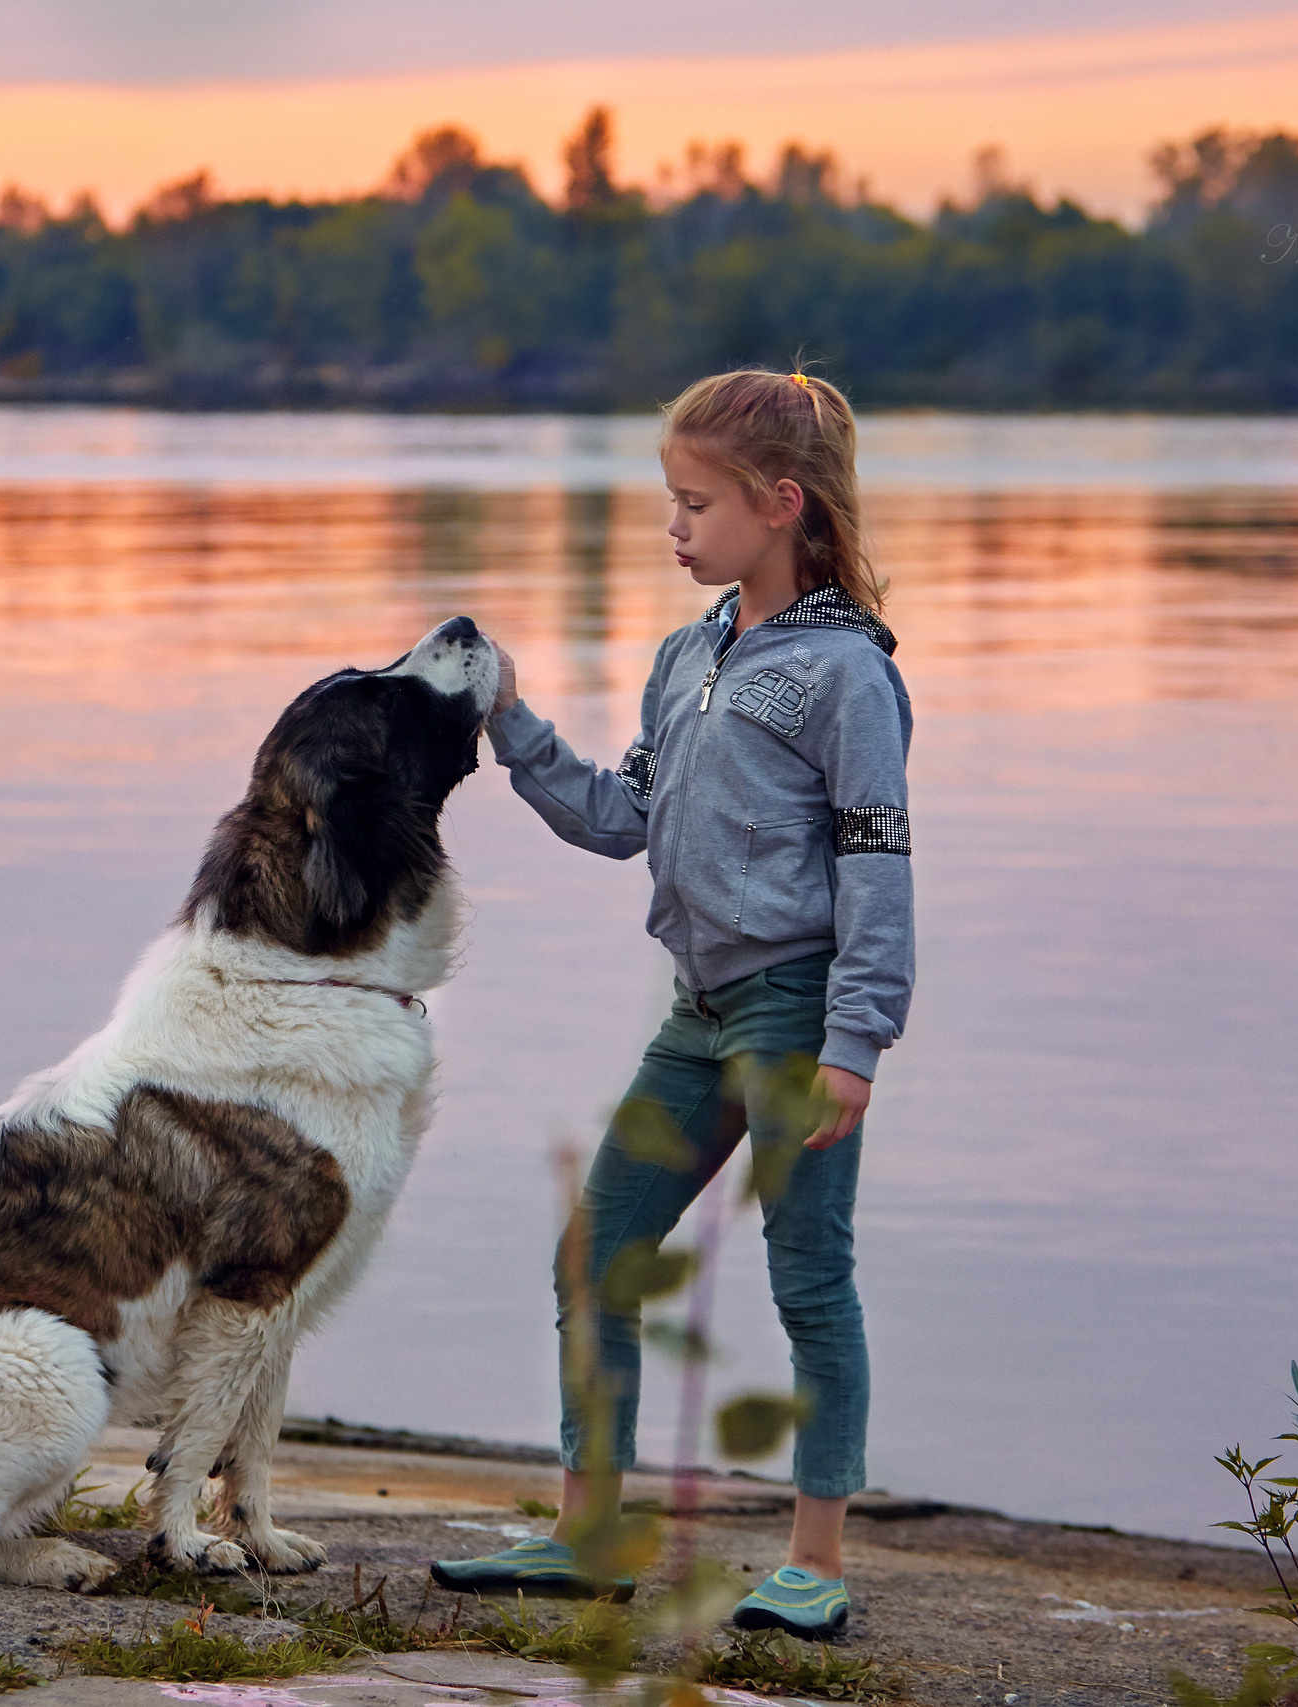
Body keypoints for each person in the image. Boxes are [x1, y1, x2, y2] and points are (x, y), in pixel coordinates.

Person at [430, 368, 913, 1640]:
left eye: (696, 504)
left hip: (796, 1010)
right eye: (670, 501)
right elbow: (622, 819)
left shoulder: (845, 679)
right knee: (599, 1251)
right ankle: (590, 1539)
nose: (674, 527)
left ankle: (815, 1560)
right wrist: (515, 726)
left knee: (809, 1274)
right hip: (698, 1010)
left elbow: (874, 865)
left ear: (782, 504)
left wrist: (857, 1039)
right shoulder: (684, 655)